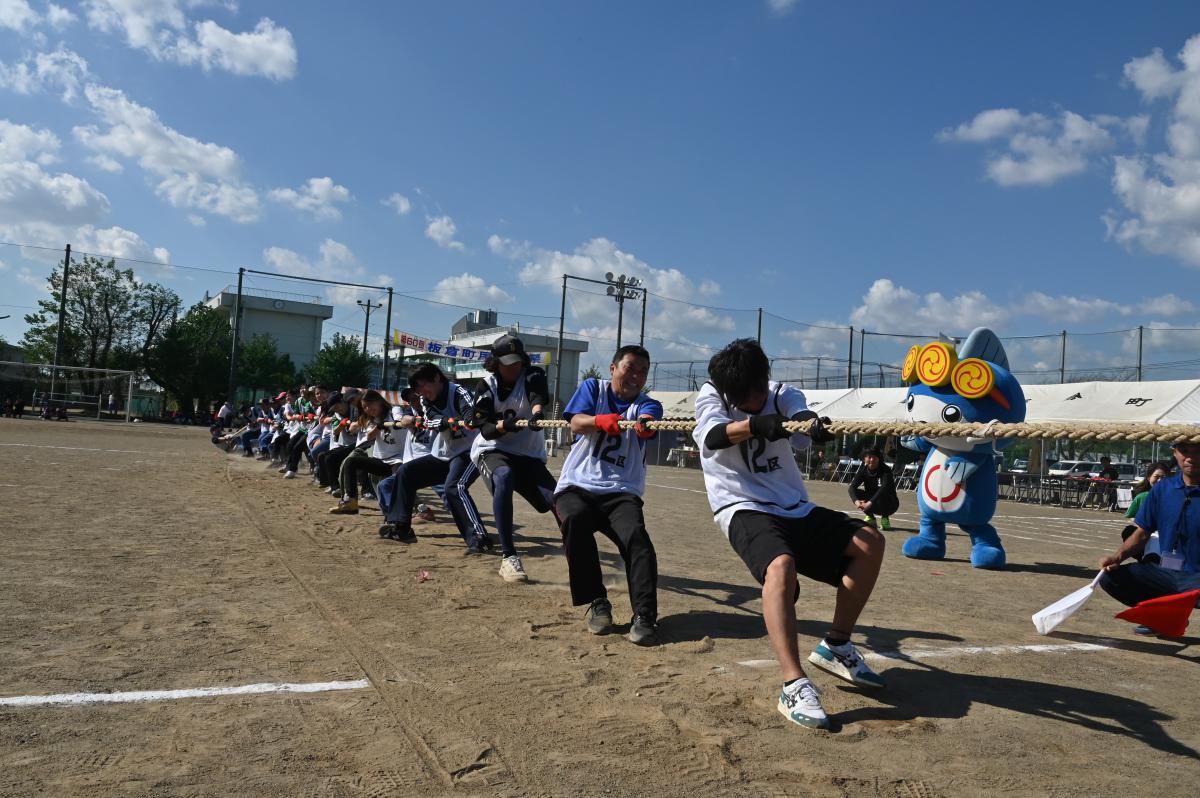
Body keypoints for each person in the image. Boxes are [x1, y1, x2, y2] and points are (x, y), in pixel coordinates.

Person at [693, 338, 887, 731]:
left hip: (793, 505)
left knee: (870, 542)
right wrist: (753, 425)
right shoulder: (712, 395)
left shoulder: (780, 393)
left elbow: (795, 408)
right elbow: (712, 437)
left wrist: (810, 425)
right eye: (748, 397)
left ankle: (836, 644)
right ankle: (793, 684)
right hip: (742, 506)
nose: (758, 399)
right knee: (781, 567)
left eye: (761, 389)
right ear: (731, 393)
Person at [553, 344, 663, 644]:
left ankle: (644, 615)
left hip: (621, 492)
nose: (636, 376)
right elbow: (575, 421)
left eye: (643, 371)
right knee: (574, 520)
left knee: (637, 539)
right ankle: (597, 602)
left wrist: (643, 426)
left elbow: (649, 422)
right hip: (577, 485)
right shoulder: (594, 388)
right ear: (613, 368)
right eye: (630, 367)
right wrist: (599, 421)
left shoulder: (647, 404)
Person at [470, 334, 558, 583]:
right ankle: (508, 557)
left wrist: (537, 415)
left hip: (528, 455)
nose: (513, 367)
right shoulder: (486, 385)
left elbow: (537, 396)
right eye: (507, 362)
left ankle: (577, 553)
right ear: (495, 362)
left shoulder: (533, 375)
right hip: (493, 450)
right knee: (504, 477)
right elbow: (485, 429)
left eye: (517, 361)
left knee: (556, 500)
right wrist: (503, 426)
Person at [376, 364, 491, 552]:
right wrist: (446, 421)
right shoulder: (425, 400)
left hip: (470, 451)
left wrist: (469, 418)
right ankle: (401, 527)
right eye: (417, 390)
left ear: (437, 378)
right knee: (406, 473)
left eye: (423, 386)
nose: (421, 392)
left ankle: (479, 538)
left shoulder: (458, 391)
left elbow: (469, 409)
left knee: (454, 487)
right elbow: (431, 419)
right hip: (444, 453)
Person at [1099, 441, 1200, 613]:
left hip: (1196, 576)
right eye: (1183, 450)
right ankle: (1158, 614)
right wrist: (1117, 558)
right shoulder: (1162, 489)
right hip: (1166, 572)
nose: (1190, 457)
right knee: (1110, 578)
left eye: (1197, 451)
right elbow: (1143, 532)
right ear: (1175, 453)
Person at [330, 390, 405, 515]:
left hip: (399, 459)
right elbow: (370, 436)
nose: (368, 409)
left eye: (370, 405)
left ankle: (419, 508)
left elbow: (399, 419)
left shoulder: (394, 410)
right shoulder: (372, 419)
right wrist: (379, 426)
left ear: (379, 401)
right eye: (364, 407)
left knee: (398, 482)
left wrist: (398, 422)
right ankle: (351, 501)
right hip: (381, 460)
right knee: (350, 462)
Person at [847, 447, 899, 530]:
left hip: (890, 503)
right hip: (872, 502)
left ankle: (885, 518)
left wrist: (869, 503)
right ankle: (871, 518)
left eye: (874, 457)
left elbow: (884, 488)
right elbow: (852, 487)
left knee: (882, 492)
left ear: (879, 458)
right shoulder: (863, 470)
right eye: (869, 457)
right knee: (856, 492)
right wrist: (856, 502)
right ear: (864, 459)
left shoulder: (886, 470)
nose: (871, 460)